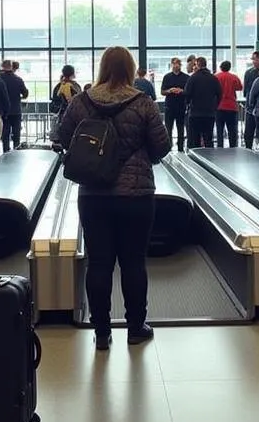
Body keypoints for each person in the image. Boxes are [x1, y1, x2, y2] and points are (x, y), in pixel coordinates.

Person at [53, 46, 170, 350]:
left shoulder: (81, 101)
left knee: (99, 262)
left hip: (94, 194)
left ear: (103, 67)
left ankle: (102, 332)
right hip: (137, 194)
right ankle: (135, 327)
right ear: (130, 69)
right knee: (133, 262)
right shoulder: (143, 102)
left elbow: (63, 137)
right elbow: (162, 147)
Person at [184, 56, 221, 148]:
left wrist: (188, 104)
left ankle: (196, 159)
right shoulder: (213, 78)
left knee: (195, 139)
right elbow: (220, 94)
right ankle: (209, 159)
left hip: (195, 113)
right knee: (208, 138)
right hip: (209, 113)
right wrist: (215, 106)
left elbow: (187, 94)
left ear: (197, 65)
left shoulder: (193, 78)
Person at [0, 58, 29, 153]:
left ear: (2, 67)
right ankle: (16, 150)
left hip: (3, 111)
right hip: (16, 110)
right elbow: (25, 93)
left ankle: (6, 151)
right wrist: (19, 97)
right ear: (11, 67)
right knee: (16, 133)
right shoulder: (18, 79)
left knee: (5, 133)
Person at [160, 56, 189, 151]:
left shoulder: (186, 77)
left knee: (181, 128)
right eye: (175, 64)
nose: (177, 66)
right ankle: (168, 147)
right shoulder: (167, 77)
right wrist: (170, 91)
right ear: (172, 65)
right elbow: (162, 92)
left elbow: (189, 92)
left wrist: (181, 91)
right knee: (168, 128)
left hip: (181, 106)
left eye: (178, 64)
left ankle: (181, 147)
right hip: (169, 106)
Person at [214, 61, 242, 148]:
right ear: (229, 68)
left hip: (219, 106)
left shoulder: (216, 77)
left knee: (219, 131)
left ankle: (220, 148)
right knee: (232, 131)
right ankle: (233, 148)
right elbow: (240, 87)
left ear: (221, 67)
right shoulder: (234, 77)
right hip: (231, 107)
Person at [242, 50, 259, 149]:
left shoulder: (250, 73)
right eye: (253, 59)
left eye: (256, 59)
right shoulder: (249, 72)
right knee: (251, 132)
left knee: (254, 131)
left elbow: (246, 91)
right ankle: (254, 150)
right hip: (255, 107)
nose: (254, 61)